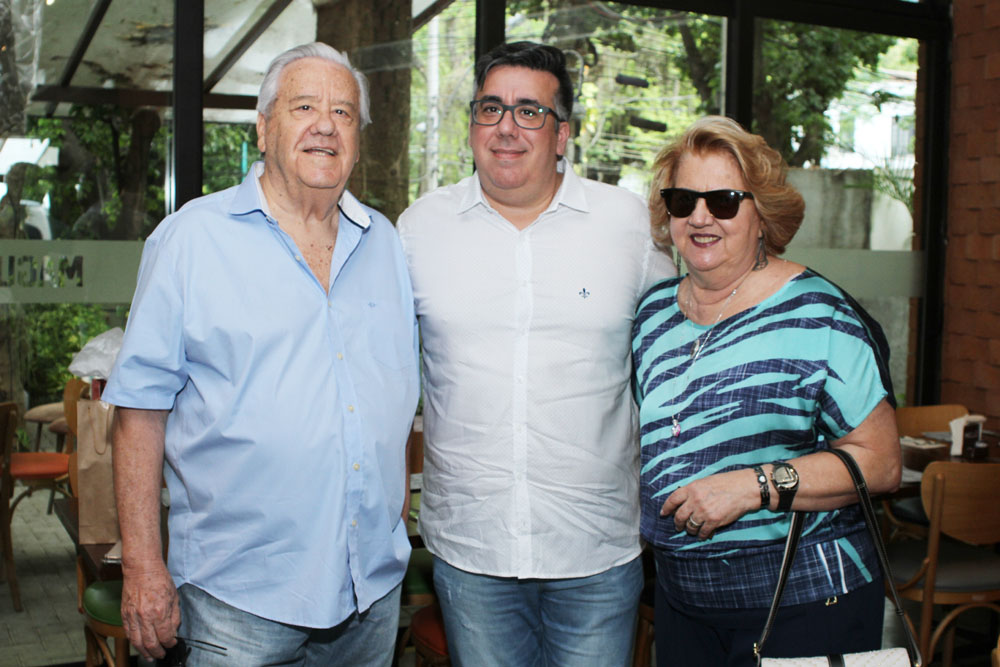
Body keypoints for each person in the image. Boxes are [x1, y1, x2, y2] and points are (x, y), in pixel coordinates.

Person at [103, 42, 419, 666]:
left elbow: (393, 399)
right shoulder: (191, 240)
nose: (326, 124)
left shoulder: (384, 242)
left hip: (372, 589)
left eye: (344, 112)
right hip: (238, 597)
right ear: (264, 125)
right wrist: (143, 565)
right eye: (304, 106)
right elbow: (138, 412)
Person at [397, 41, 676, 666]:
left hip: (596, 545)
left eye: (529, 111)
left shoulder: (628, 226)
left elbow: (673, 356)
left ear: (562, 135)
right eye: (490, 108)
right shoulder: (419, 230)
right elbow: (380, 370)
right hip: (473, 546)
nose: (506, 127)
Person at [631, 115, 901, 666]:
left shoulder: (820, 315)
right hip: (683, 605)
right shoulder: (652, 314)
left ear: (762, 216)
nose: (701, 216)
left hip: (806, 604)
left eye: (725, 200)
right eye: (684, 199)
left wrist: (753, 485)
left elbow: (882, 464)